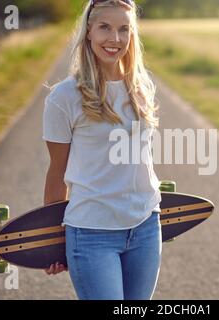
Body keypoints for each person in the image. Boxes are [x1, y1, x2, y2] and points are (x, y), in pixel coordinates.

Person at [41, 0, 162, 300]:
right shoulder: (64, 97)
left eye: (124, 29)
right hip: (92, 233)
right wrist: (53, 241)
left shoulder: (142, 86)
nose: (115, 39)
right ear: (89, 32)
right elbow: (57, 174)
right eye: (105, 27)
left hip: (146, 228)